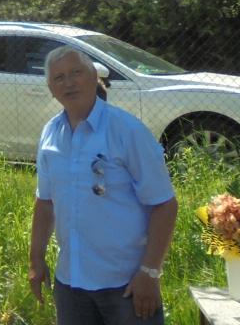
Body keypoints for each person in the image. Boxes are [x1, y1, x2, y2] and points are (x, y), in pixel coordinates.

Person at [28, 46, 177, 324]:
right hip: (71, 283)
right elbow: (45, 202)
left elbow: (164, 204)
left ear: (93, 77)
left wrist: (149, 272)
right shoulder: (51, 134)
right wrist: (36, 260)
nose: (69, 83)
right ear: (51, 89)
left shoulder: (127, 131)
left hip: (127, 284)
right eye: (59, 78)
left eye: (76, 73)